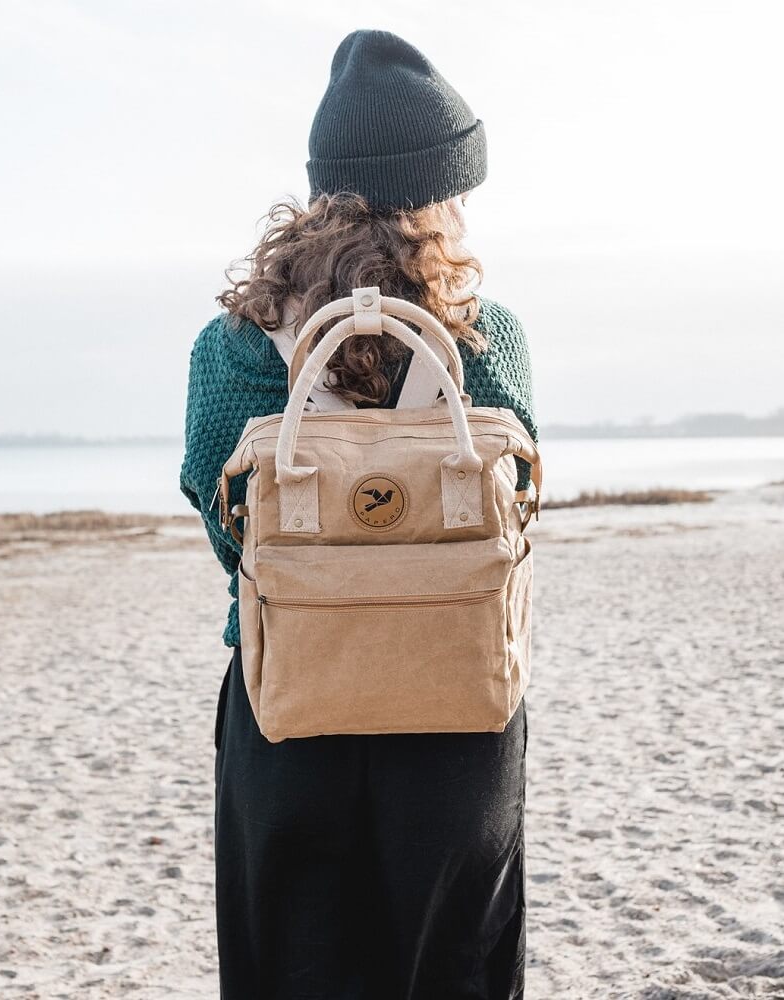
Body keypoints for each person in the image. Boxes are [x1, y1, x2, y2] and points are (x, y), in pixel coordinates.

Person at [180, 28, 538, 1000]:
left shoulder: (237, 344)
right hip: (457, 693)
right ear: (439, 191)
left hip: (290, 692)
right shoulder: (481, 334)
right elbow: (519, 508)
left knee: (293, 965)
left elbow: (220, 514)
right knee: (451, 967)